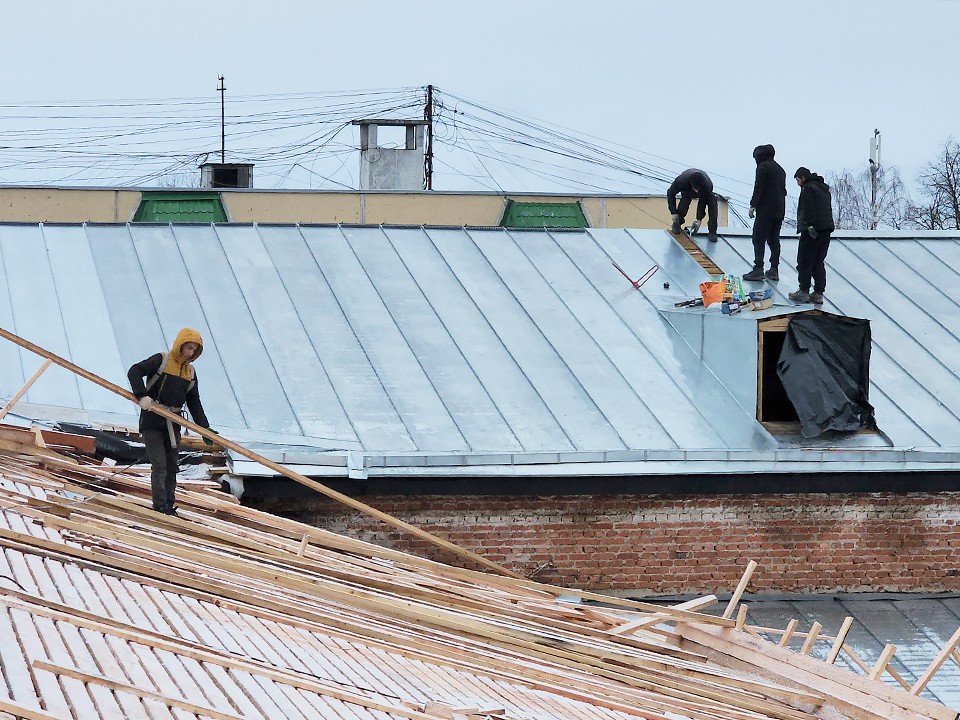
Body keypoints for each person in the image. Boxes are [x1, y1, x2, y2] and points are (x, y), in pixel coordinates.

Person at [128, 328, 212, 515]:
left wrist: (205, 428)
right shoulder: (162, 360)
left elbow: (193, 401)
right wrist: (142, 396)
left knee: (172, 465)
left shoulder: (189, 372)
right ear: (180, 345)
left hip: (173, 423)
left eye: (194, 350)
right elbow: (135, 371)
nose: (190, 352)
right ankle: (160, 507)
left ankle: (169, 504)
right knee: (159, 464)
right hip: (152, 419)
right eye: (188, 347)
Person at [788, 167, 835, 305]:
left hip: (812, 231)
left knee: (804, 260)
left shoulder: (808, 189)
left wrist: (809, 225)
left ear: (803, 178)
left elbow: (808, 208)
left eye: (798, 180)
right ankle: (818, 293)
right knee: (818, 261)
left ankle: (804, 291)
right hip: (826, 230)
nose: (798, 183)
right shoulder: (824, 189)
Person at [743, 144, 786, 282]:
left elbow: (759, 186)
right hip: (779, 210)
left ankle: (758, 269)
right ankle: (774, 269)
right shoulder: (780, 169)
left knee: (758, 237)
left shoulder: (763, 167)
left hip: (766, 209)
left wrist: (753, 205)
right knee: (774, 239)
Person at [667, 168, 719, 242]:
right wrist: (673, 213)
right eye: (695, 188)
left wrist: (699, 220)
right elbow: (670, 193)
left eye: (698, 189)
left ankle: (712, 231)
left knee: (712, 202)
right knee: (685, 203)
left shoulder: (707, 185)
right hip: (687, 191)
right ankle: (677, 223)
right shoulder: (681, 181)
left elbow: (702, 203)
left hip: (704, 193)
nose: (696, 191)